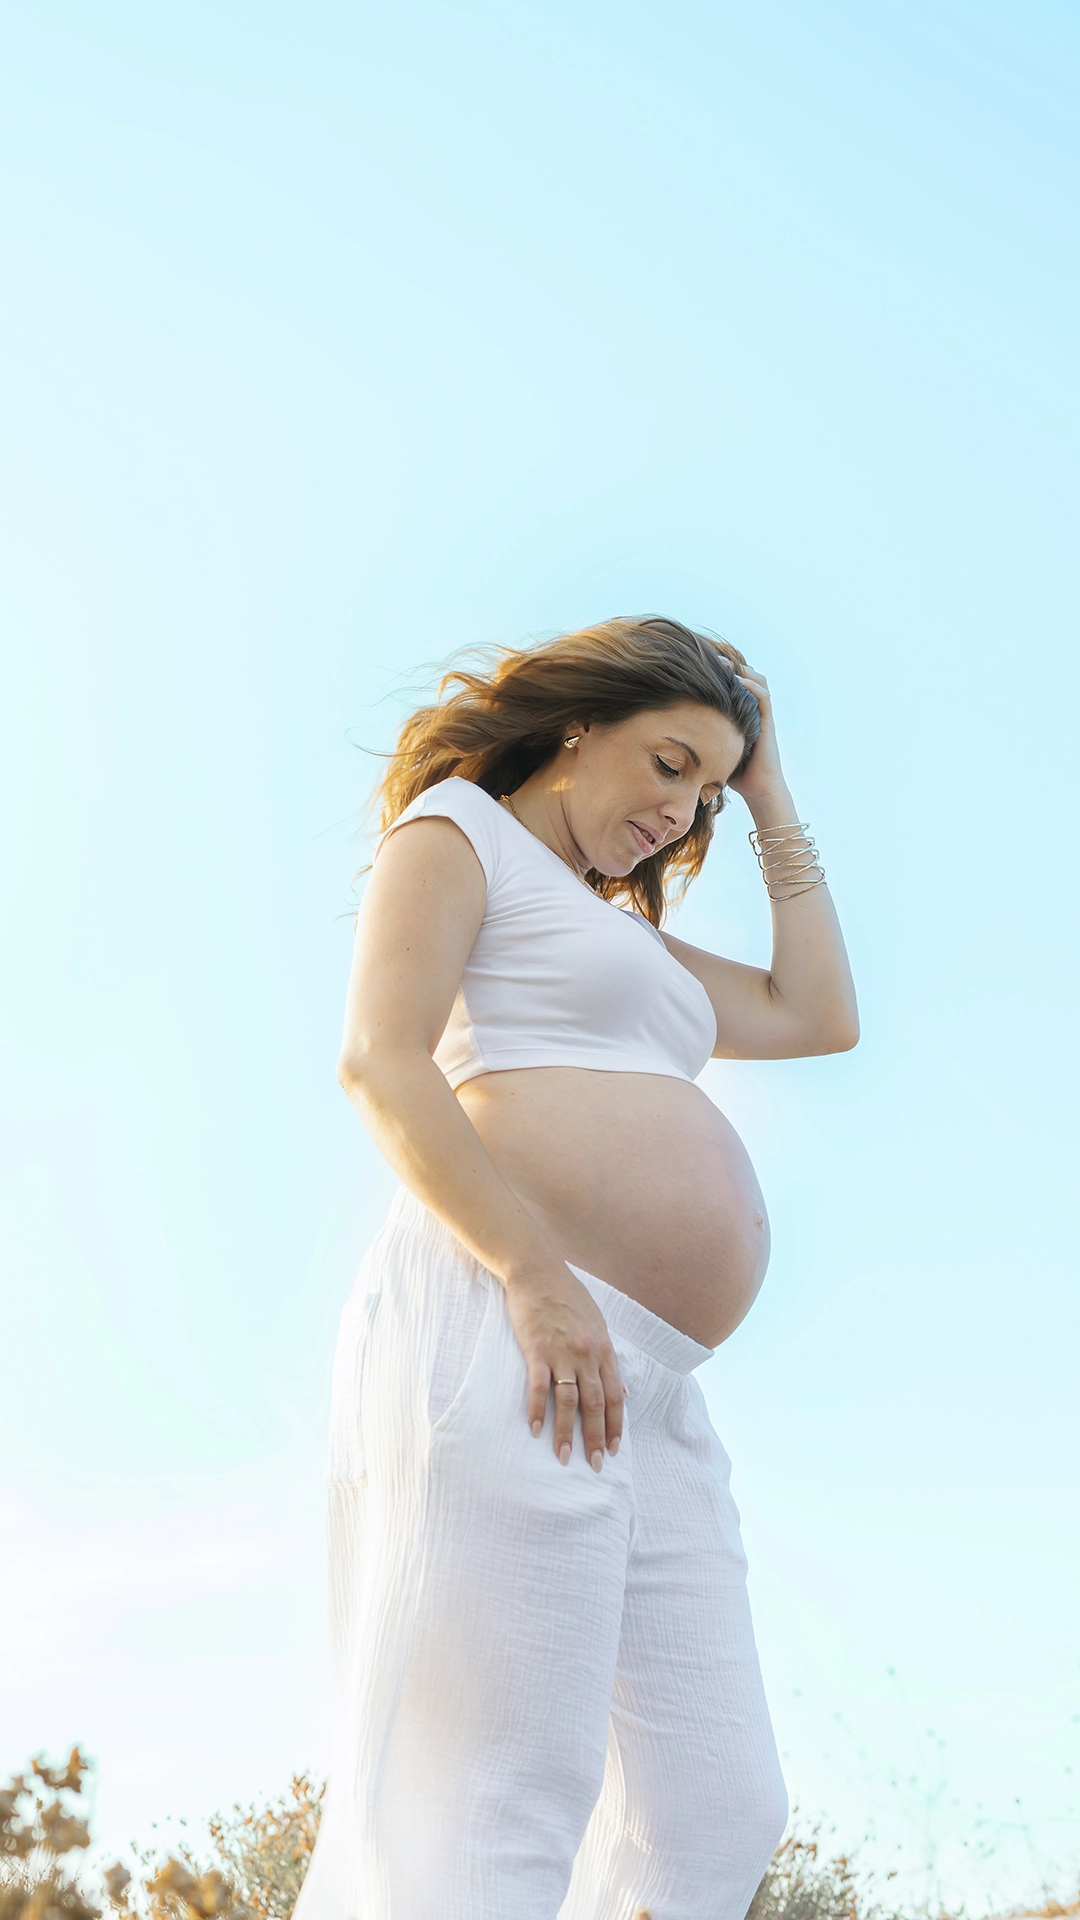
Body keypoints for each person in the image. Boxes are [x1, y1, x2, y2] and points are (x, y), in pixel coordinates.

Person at [294, 616, 859, 1920]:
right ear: (577, 726)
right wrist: (535, 1275)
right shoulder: (459, 834)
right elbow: (379, 1062)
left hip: (646, 1380)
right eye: (668, 764)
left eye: (707, 790)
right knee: (491, 1794)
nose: (682, 809)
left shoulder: (635, 946)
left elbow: (819, 1013)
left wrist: (769, 792)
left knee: (716, 1804)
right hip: (511, 1318)